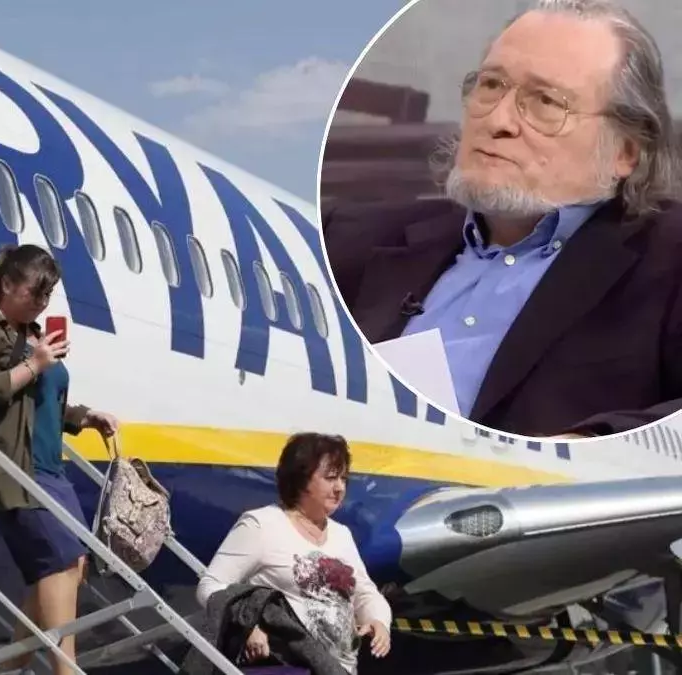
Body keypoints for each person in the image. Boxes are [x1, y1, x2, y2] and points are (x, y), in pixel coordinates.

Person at [321, 0, 682, 438]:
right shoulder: (343, 237)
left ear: (625, 151)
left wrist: (588, 445)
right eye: (491, 85)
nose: (498, 119)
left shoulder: (668, 262)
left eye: (546, 101)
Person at [0, 244, 119, 675]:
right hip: (16, 466)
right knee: (57, 562)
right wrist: (35, 364)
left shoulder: (32, 334)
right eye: (34, 292)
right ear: (7, 284)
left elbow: (40, 402)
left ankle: (12, 667)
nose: (41, 302)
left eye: (47, 295)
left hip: (51, 467)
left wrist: (85, 417)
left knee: (73, 565)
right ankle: (66, 669)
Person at [195, 433, 391, 674]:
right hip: (289, 668)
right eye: (330, 478)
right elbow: (210, 586)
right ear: (301, 479)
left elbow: (365, 592)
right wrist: (247, 626)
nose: (340, 488)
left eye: (343, 478)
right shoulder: (262, 525)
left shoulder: (342, 534)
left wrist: (378, 620)